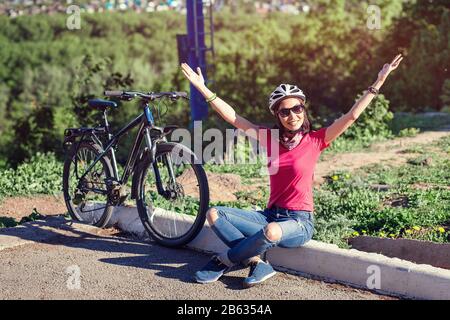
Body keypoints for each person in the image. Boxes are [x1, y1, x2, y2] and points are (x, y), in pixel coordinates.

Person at [180, 54, 403, 288]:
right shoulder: (269, 138)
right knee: (215, 214)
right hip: (270, 215)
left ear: (303, 109)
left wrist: (379, 81)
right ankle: (257, 262)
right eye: (284, 112)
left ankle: (223, 260)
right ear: (277, 115)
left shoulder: (316, 140)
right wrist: (203, 89)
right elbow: (234, 118)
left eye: (297, 108)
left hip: (299, 222)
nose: (292, 116)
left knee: (272, 232)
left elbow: (352, 116)